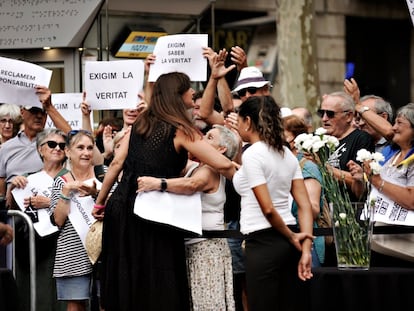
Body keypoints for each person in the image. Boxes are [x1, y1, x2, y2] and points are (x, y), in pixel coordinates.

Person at [94, 55, 237, 310]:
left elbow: (116, 164)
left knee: (128, 284)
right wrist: (257, 184)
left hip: (122, 209)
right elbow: (223, 164)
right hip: (154, 215)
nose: (194, 99)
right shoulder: (181, 130)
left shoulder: (140, 123)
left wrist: (100, 203)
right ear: (177, 96)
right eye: (191, 95)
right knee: (158, 284)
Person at [137, 124, 241, 310]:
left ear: (221, 149)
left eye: (209, 137)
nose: (201, 140)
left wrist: (158, 183)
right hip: (195, 246)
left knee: (207, 304)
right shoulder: (200, 166)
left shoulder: (209, 170)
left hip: (206, 249)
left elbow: (192, 184)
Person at [232, 95, 313, 310]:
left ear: (248, 121)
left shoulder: (253, 154)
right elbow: (304, 206)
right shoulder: (286, 153)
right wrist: (304, 248)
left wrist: (293, 236)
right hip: (291, 240)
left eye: (239, 121)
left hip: (264, 242)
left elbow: (267, 209)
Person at [10, 128, 68, 311]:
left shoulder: (72, 178)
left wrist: (50, 202)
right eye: (52, 144)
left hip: (65, 246)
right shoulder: (27, 179)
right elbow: (13, 209)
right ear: (40, 149)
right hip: (35, 249)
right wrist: (12, 186)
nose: (57, 148)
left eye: (62, 145)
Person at [350, 103, 414, 266]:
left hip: (403, 243)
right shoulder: (393, 156)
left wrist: (378, 181)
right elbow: (376, 192)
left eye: (399, 123)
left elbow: (411, 199)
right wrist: (362, 178)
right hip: (381, 242)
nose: (393, 128)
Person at [50, 130, 100, 311]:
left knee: (107, 302)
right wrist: (66, 192)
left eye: (89, 148)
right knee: (75, 305)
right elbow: (58, 220)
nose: (86, 152)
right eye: (80, 147)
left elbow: (117, 210)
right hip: (73, 251)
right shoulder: (60, 181)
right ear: (68, 152)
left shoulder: (105, 174)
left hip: (105, 251)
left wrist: (97, 195)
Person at [283, 114, 325, 267]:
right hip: (288, 239)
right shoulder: (282, 165)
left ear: (293, 140)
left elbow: (313, 208)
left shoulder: (306, 167)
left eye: (281, 134)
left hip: (306, 242)